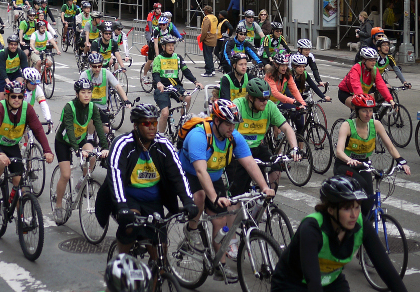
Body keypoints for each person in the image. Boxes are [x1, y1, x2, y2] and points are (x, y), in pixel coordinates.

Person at [180, 99, 274, 280]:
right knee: (199, 198)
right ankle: (191, 230)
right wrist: (214, 198)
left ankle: (219, 265)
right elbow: (200, 171)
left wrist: (264, 187)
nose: (232, 128)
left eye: (234, 124)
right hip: (189, 173)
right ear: (217, 121)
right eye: (229, 124)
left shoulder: (233, 137)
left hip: (213, 176)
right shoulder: (199, 136)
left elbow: (249, 164)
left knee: (221, 221)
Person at [271, 175, 408, 292]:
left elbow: (387, 271)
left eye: (357, 207)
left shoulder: (361, 225)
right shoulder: (312, 229)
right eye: (347, 209)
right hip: (292, 283)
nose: (354, 215)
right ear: (331, 210)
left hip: (331, 282)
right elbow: (313, 281)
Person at [95, 103, 197, 256]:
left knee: (159, 252)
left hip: (153, 200)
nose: (152, 127)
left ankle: (159, 273)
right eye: (147, 123)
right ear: (136, 125)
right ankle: (121, 262)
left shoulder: (163, 145)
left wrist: (188, 201)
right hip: (128, 197)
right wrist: (122, 206)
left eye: (154, 123)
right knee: (130, 226)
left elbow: (178, 175)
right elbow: (115, 175)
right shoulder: (123, 144)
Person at [333, 93, 410, 217]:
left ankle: (365, 227)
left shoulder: (376, 125)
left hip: (364, 165)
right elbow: (339, 152)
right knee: (361, 185)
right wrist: (349, 160)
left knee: (369, 201)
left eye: (370, 110)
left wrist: (401, 160)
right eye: (364, 111)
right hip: (345, 165)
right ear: (357, 111)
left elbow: (390, 147)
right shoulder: (347, 125)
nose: (368, 114)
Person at [0, 81, 54, 209]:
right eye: (13, 96)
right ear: (6, 96)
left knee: (18, 183)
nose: (17, 100)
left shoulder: (27, 109)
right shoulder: (0, 108)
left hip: (12, 146)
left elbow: (38, 130)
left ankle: (20, 219)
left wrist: (47, 150)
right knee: (0, 162)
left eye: (20, 97)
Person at [228, 78, 300, 197]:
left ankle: (266, 201)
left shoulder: (269, 106)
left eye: (267, 99)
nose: (265, 102)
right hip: (238, 150)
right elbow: (229, 133)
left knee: (276, 170)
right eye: (261, 99)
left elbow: (287, 128)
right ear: (251, 98)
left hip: (257, 148)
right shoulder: (238, 105)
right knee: (239, 191)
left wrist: (295, 148)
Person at [52, 79, 109, 224]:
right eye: (83, 92)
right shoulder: (69, 107)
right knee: (65, 175)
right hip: (64, 141)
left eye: (89, 92)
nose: (86, 95)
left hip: (80, 139)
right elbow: (70, 130)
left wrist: (105, 147)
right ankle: (58, 205)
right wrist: (77, 151)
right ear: (77, 94)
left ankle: (83, 180)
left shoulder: (92, 108)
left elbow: (99, 126)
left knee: (92, 154)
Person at [152, 36, 202, 134]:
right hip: (163, 88)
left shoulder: (178, 57)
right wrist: (159, 83)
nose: (171, 47)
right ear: (163, 47)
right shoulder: (158, 58)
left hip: (175, 87)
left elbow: (186, 71)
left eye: (172, 45)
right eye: (169, 45)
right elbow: (155, 74)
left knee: (187, 97)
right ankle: (161, 136)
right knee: (165, 113)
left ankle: (183, 121)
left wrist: (196, 82)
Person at [0, 34, 29, 100]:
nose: (13, 46)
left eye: (15, 44)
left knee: (20, 88)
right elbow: (1, 68)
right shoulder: (3, 53)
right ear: (8, 44)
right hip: (3, 74)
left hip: (15, 73)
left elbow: (25, 68)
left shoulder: (21, 53)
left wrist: (26, 80)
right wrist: (7, 80)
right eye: (11, 44)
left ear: (17, 45)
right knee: (2, 97)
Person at [199, 5, 218, 77]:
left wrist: (202, 39)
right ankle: (212, 70)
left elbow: (204, 31)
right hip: (214, 38)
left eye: (204, 10)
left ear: (206, 11)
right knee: (210, 55)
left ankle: (208, 71)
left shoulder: (207, 18)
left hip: (208, 39)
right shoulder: (214, 17)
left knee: (207, 56)